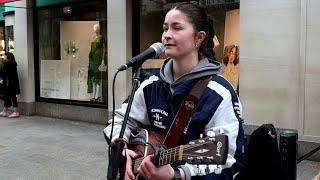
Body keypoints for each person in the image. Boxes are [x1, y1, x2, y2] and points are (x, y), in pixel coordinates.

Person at [104, 2, 244, 180]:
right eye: (165, 28)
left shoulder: (219, 94)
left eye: (177, 28)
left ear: (199, 38)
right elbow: (119, 121)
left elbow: (229, 160)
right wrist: (122, 149)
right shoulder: (151, 85)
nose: (166, 35)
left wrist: (177, 174)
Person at [87, 23, 106, 102]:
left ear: (99, 29)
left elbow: (104, 49)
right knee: (93, 78)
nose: (95, 29)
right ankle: (93, 95)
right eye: (94, 28)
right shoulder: (94, 38)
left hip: (98, 59)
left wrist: (103, 60)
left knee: (98, 77)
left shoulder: (101, 38)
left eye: (97, 28)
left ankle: (97, 95)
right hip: (92, 60)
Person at [0, 52, 20, 118]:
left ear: (8, 56)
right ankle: (5, 111)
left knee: (12, 97)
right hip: (12, 83)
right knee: (8, 96)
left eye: (5, 55)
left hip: (9, 83)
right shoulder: (13, 63)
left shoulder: (7, 64)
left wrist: (1, 64)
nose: (4, 56)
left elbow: (4, 74)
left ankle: (16, 112)